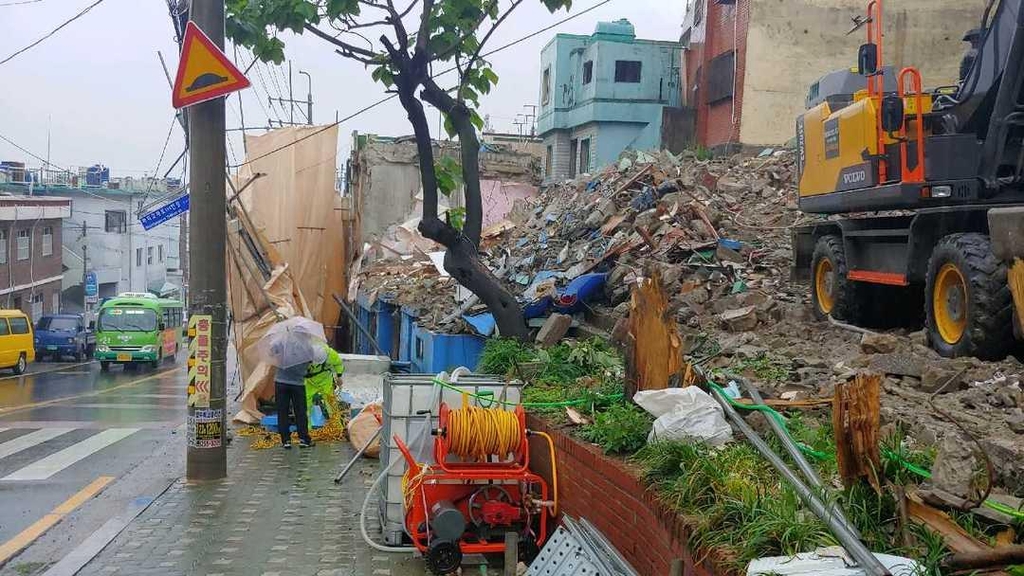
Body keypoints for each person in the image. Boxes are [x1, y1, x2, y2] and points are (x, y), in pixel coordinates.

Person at [275, 348, 315, 450]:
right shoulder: (306, 346)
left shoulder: (282, 342)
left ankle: (286, 440)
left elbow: (272, 351)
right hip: (298, 384)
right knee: (300, 411)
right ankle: (303, 439)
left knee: (282, 411)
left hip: (281, 382)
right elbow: (310, 363)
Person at [303, 343, 345, 424]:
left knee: (331, 403)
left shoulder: (331, 355)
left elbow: (338, 364)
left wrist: (339, 376)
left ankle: (336, 427)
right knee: (305, 406)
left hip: (325, 381)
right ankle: (306, 430)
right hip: (309, 382)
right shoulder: (303, 355)